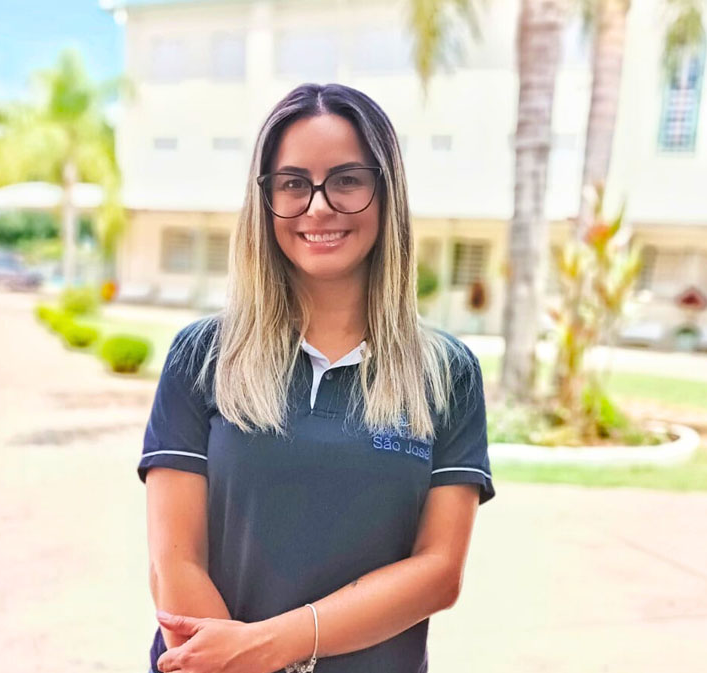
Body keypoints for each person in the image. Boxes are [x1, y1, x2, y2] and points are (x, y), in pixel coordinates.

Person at [138, 83, 495, 673]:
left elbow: (438, 572)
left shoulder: (445, 373)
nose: (318, 206)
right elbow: (174, 565)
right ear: (265, 199)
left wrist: (274, 646)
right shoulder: (202, 357)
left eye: (347, 180)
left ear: (386, 192)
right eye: (293, 183)